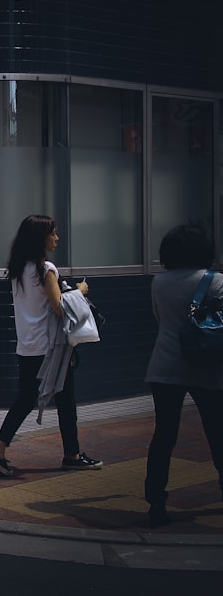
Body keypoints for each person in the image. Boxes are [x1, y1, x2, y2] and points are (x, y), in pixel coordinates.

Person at [0, 214, 103, 477]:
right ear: (41, 238)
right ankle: (72, 456)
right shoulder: (45, 269)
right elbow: (60, 307)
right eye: (53, 233)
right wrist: (80, 291)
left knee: (25, 400)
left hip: (27, 346)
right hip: (50, 349)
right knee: (66, 401)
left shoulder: (18, 270)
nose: (57, 238)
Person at [143, 222, 223, 527]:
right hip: (206, 366)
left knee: (163, 435)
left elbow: (160, 319)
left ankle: (156, 502)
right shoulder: (216, 281)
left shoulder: (158, 283)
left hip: (163, 367)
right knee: (217, 433)